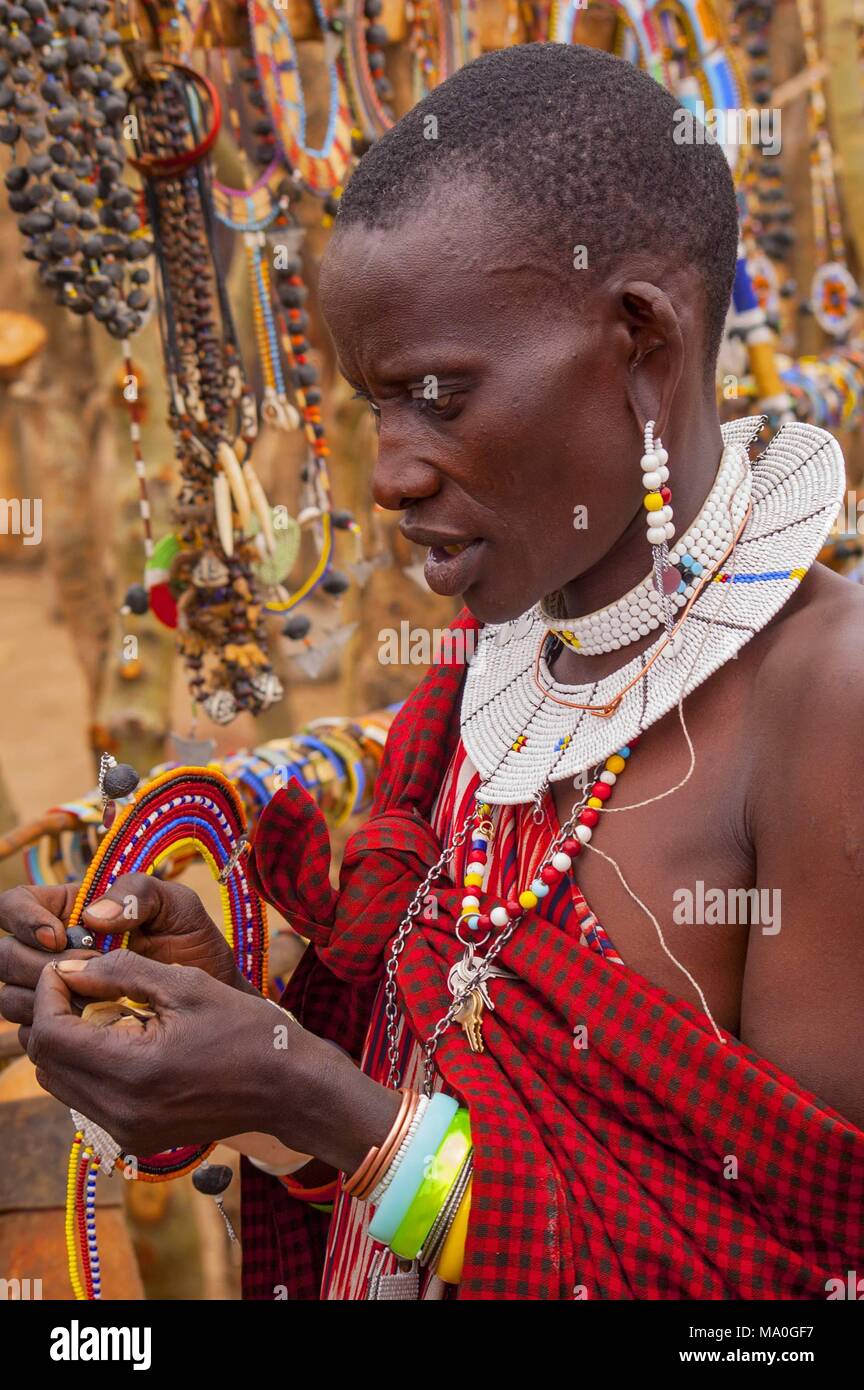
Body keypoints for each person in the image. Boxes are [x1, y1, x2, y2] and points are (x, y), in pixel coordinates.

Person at [1, 42, 863, 1302]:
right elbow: (430, 1095)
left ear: (638, 340)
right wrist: (231, 1029)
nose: (391, 473)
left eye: (439, 397)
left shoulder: (825, 704)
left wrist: (311, 1091)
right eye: (376, 408)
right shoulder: (491, 667)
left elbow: (797, 1294)